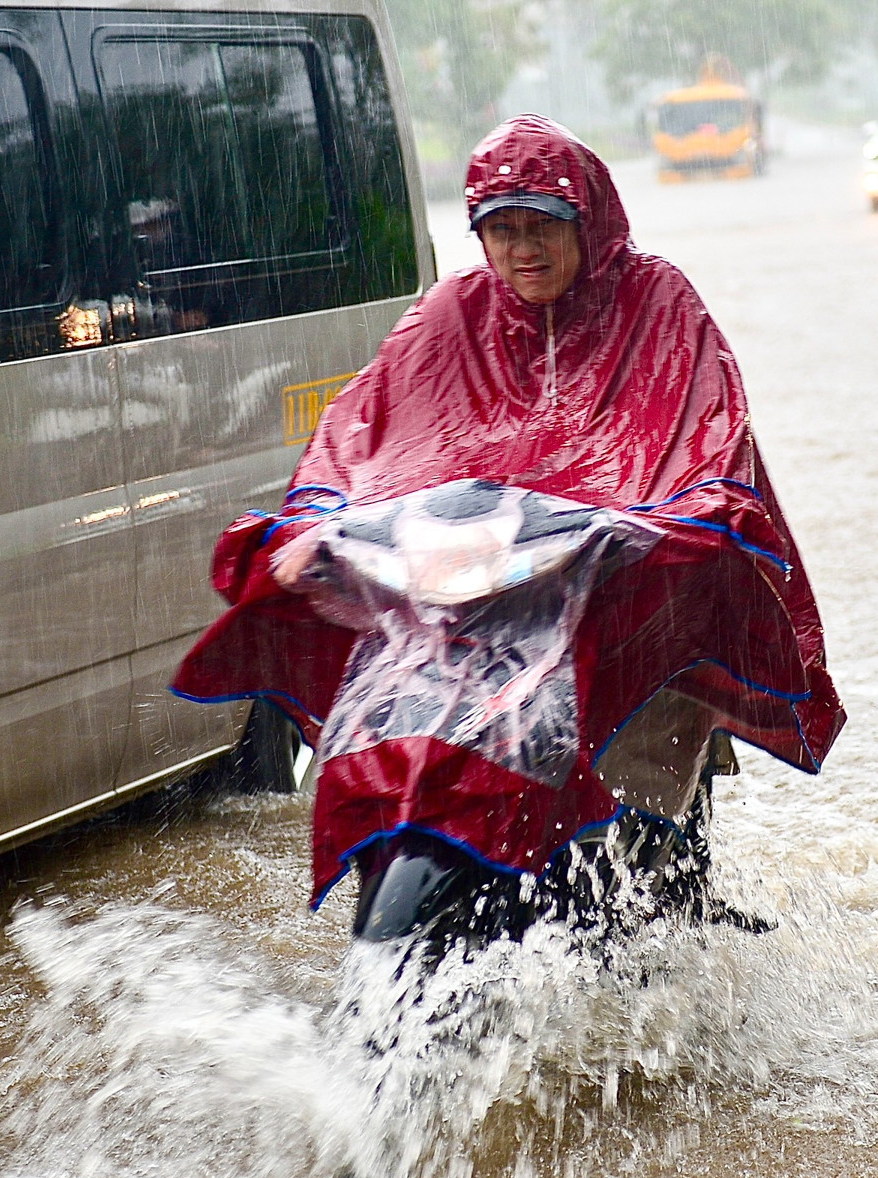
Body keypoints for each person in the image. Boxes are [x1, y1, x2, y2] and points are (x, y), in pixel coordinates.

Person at [173, 115, 843, 905]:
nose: (523, 252)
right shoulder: (450, 313)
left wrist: (673, 517)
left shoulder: (657, 300)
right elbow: (359, 432)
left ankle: (670, 895)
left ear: (586, 223)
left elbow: (706, 433)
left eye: (542, 228)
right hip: (486, 597)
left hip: (622, 584)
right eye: (501, 230)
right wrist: (315, 520)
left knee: (653, 757)